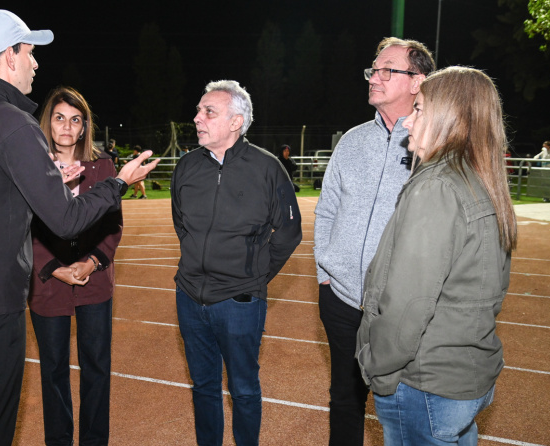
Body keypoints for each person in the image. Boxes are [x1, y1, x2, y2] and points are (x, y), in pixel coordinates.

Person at [0, 9, 157, 445]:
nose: (36, 63)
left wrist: (42, 184)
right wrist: (118, 183)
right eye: (30, 53)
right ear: (8, 56)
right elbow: (67, 221)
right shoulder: (12, 123)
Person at [356, 66, 518, 445]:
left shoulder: (437, 187)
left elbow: (408, 304)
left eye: (419, 110)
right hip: (465, 374)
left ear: (449, 117)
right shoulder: (480, 179)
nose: (408, 122)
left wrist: (375, 365)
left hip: (426, 382)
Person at [313, 37, 434, 445]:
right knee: (344, 399)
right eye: (373, 69)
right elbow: (326, 209)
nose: (374, 77)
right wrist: (324, 271)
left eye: (387, 70)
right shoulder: (351, 140)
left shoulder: (432, 144)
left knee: (400, 406)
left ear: (418, 81)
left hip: (400, 309)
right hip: (341, 298)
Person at [171, 80, 302, 445]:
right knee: (204, 387)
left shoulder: (266, 167)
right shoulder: (185, 167)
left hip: (240, 301)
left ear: (235, 122)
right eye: (199, 110)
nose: (197, 118)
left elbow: (289, 231)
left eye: (208, 111)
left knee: (243, 388)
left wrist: (254, 275)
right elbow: (181, 224)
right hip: (190, 297)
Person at [29, 86, 122, 445]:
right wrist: (53, 266)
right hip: (47, 282)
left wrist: (92, 261)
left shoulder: (103, 165)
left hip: (94, 281)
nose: (66, 126)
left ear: (84, 127)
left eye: (75, 120)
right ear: (48, 122)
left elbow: (113, 224)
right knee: (53, 370)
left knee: (96, 368)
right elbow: (24, 226)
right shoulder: (31, 166)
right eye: (59, 118)